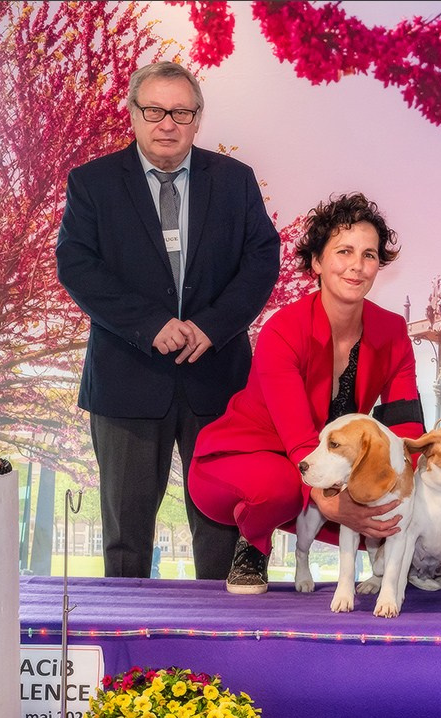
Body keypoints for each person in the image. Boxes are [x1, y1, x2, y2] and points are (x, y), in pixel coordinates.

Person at [56, 61, 281, 580]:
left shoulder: (233, 181)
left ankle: (221, 647)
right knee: (125, 535)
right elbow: (77, 265)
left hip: (218, 376)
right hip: (126, 379)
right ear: (132, 112)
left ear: (198, 118)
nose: (167, 123)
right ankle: (125, 652)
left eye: (181, 112)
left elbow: (261, 259)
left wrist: (212, 325)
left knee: (221, 527)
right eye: (154, 110)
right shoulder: (93, 183)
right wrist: (151, 324)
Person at [188, 192, 425, 595]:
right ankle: (253, 545)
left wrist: (402, 488)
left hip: (323, 467)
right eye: (344, 251)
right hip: (245, 459)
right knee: (279, 485)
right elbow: (298, 441)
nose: (357, 265)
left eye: (369, 255)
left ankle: (389, 560)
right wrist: (331, 501)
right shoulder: (282, 329)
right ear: (316, 261)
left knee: (401, 508)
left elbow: (404, 426)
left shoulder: (393, 332)